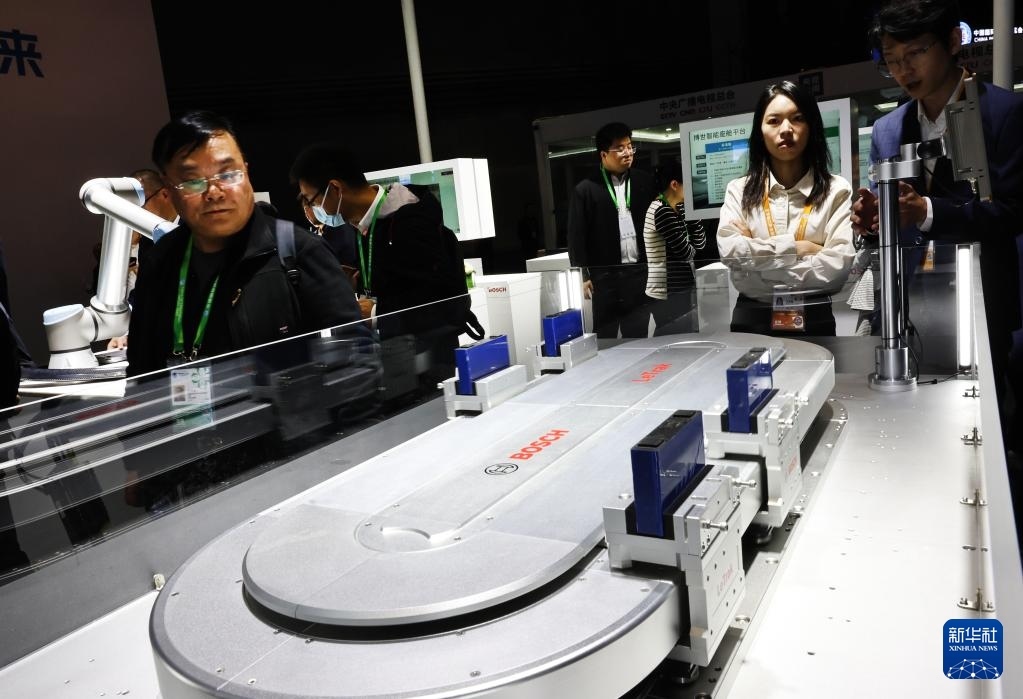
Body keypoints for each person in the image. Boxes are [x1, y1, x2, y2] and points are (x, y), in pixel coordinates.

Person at [851, 0, 1023, 453]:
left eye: (915, 53)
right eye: (892, 60)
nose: (903, 70)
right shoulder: (888, 130)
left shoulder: (1003, 112)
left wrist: (927, 210)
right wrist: (871, 222)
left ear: (953, 41)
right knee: (917, 429)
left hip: (986, 303)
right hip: (911, 309)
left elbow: (1012, 212)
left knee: (989, 428)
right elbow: (892, 221)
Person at [126, 111, 365, 376]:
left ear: (247, 173)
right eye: (192, 181)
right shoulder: (161, 262)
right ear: (169, 190)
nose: (214, 192)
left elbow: (357, 362)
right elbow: (141, 370)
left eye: (228, 174)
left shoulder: (298, 251)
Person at [288, 143, 481, 380]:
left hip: (428, 361)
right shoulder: (366, 225)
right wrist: (359, 283)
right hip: (398, 353)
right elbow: (400, 281)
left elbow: (435, 302)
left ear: (335, 188)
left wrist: (376, 311)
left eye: (312, 200)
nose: (313, 209)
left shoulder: (410, 222)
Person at [717, 81, 855, 336]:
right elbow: (731, 253)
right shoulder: (739, 190)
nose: (786, 129)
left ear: (811, 126)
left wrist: (756, 259)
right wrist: (799, 249)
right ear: (760, 130)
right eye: (774, 121)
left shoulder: (836, 190)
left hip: (813, 316)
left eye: (797, 118)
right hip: (753, 316)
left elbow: (837, 269)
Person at [567, 122, 655, 339]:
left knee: (638, 336)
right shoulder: (585, 189)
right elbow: (577, 235)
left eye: (630, 146)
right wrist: (583, 274)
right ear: (604, 154)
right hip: (604, 277)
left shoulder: (644, 181)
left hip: (638, 273)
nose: (628, 153)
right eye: (620, 148)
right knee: (605, 337)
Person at [106, 168, 180, 351]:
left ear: (164, 194)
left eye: (140, 206)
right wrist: (125, 330)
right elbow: (142, 291)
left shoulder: (192, 228)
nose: (135, 215)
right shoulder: (147, 240)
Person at [642, 159, 707, 336]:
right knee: (671, 337)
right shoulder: (662, 211)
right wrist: (692, 243)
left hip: (678, 288)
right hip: (666, 290)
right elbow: (686, 253)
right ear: (674, 185)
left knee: (679, 336)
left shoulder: (678, 208)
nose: (692, 190)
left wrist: (693, 216)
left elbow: (700, 244)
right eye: (688, 185)